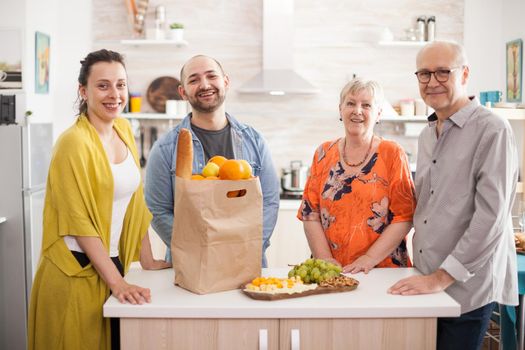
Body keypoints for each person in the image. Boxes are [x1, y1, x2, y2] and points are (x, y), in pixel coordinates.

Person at [28, 49, 170, 350]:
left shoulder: (122, 129)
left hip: (111, 266)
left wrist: (146, 259)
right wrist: (117, 283)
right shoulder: (73, 143)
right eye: (102, 85)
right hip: (75, 275)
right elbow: (79, 222)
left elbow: (134, 201)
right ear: (84, 90)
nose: (114, 94)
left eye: (120, 84)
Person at [388, 41, 519, 350]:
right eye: (424, 73)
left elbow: (491, 218)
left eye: (443, 72)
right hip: (425, 278)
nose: (432, 81)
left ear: (465, 74)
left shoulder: (492, 129)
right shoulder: (427, 133)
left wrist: (441, 277)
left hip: (464, 285)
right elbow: (429, 203)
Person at [145, 55, 280, 267]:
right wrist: (197, 249)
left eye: (211, 76)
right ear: (183, 92)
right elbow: (158, 210)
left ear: (225, 81)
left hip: (246, 261)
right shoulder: (165, 149)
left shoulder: (255, 141)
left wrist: (249, 245)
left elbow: (270, 202)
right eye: (194, 80)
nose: (204, 85)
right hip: (192, 264)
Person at [297, 77, 416, 273]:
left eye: (366, 105)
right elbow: (310, 214)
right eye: (350, 103)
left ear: (378, 113)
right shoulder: (323, 153)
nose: (357, 110)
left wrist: (368, 259)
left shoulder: (392, 153)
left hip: (382, 270)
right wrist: (325, 259)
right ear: (340, 110)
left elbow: (404, 217)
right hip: (331, 270)